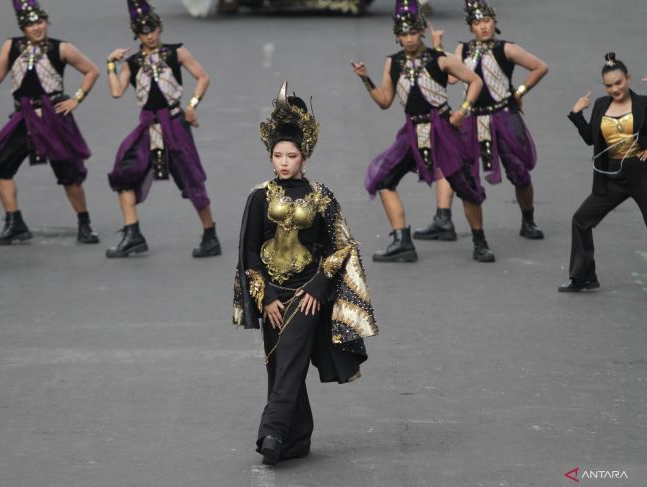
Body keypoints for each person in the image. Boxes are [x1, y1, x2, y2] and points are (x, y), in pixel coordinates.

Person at [233, 82, 378, 465]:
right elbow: (248, 251)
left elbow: (342, 246)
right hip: (273, 296)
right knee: (279, 364)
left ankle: (271, 432)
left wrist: (317, 286)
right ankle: (297, 439)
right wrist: (264, 297)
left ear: (304, 157)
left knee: (291, 359)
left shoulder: (322, 197)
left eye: (291, 155)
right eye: (278, 155)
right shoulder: (259, 197)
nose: (283, 162)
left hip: (307, 296)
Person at [351, 0, 495, 263]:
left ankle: (480, 241)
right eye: (403, 34)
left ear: (421, 32)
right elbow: (384, 101)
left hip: (443, 129)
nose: (408, 39)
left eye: (412, 33)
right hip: (412, 132)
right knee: (384, 180)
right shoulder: (392, 63)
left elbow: (474, 81)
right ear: (397, 37)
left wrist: (462, 110)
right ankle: (402, 241)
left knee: (466, 186)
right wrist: (365, 77)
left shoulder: (441, 60)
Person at [420, 0, 549, 241]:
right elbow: (452, 80)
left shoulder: (506, 49)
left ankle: (528, 220)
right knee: (460, 168)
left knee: (519, 171)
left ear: (495, 22)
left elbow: (539, 67)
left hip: (503, 115)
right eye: (477, 23)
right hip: (471, 119)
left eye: (487, 21)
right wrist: (437, 46)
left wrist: (519, 92)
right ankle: (452, 221)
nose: (483, 27)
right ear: (470, 26)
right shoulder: (463, 49)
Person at [0, 0, 100, 246]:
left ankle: (84, 223)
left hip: (54, 116)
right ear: (23, 27)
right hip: (23, 118)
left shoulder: (61, 48)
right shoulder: (11, 46)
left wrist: (76, 99)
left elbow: (92, 71)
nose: (37, 27)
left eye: (40, 22)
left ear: (46, 21)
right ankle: (15, 223)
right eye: (31, 24)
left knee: (69, 171)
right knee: (0, 165)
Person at [105, 0, 220, 258]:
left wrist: (191, 105)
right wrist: (111, 65)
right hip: (148, 127)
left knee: (191, 177)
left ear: (159, 28)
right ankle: (132, 233)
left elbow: (203, 77)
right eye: (144, 31)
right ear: (137, 34)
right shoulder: (132, 63)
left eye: (153, 29)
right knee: (124, 171)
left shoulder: (175, 53)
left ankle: (210, 234)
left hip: (175, 123)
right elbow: (116, 91)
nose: (150, 35)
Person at [560, 53, 647, 292]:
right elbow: (591, 138)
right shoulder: (600, 105)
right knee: (581, 220)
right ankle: (583, 277)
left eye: (619, 82)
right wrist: (577, 114)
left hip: (642, 175)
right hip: (612, 178)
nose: (615, 89)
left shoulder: (644, 104)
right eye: (609, 85)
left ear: (628, 79)